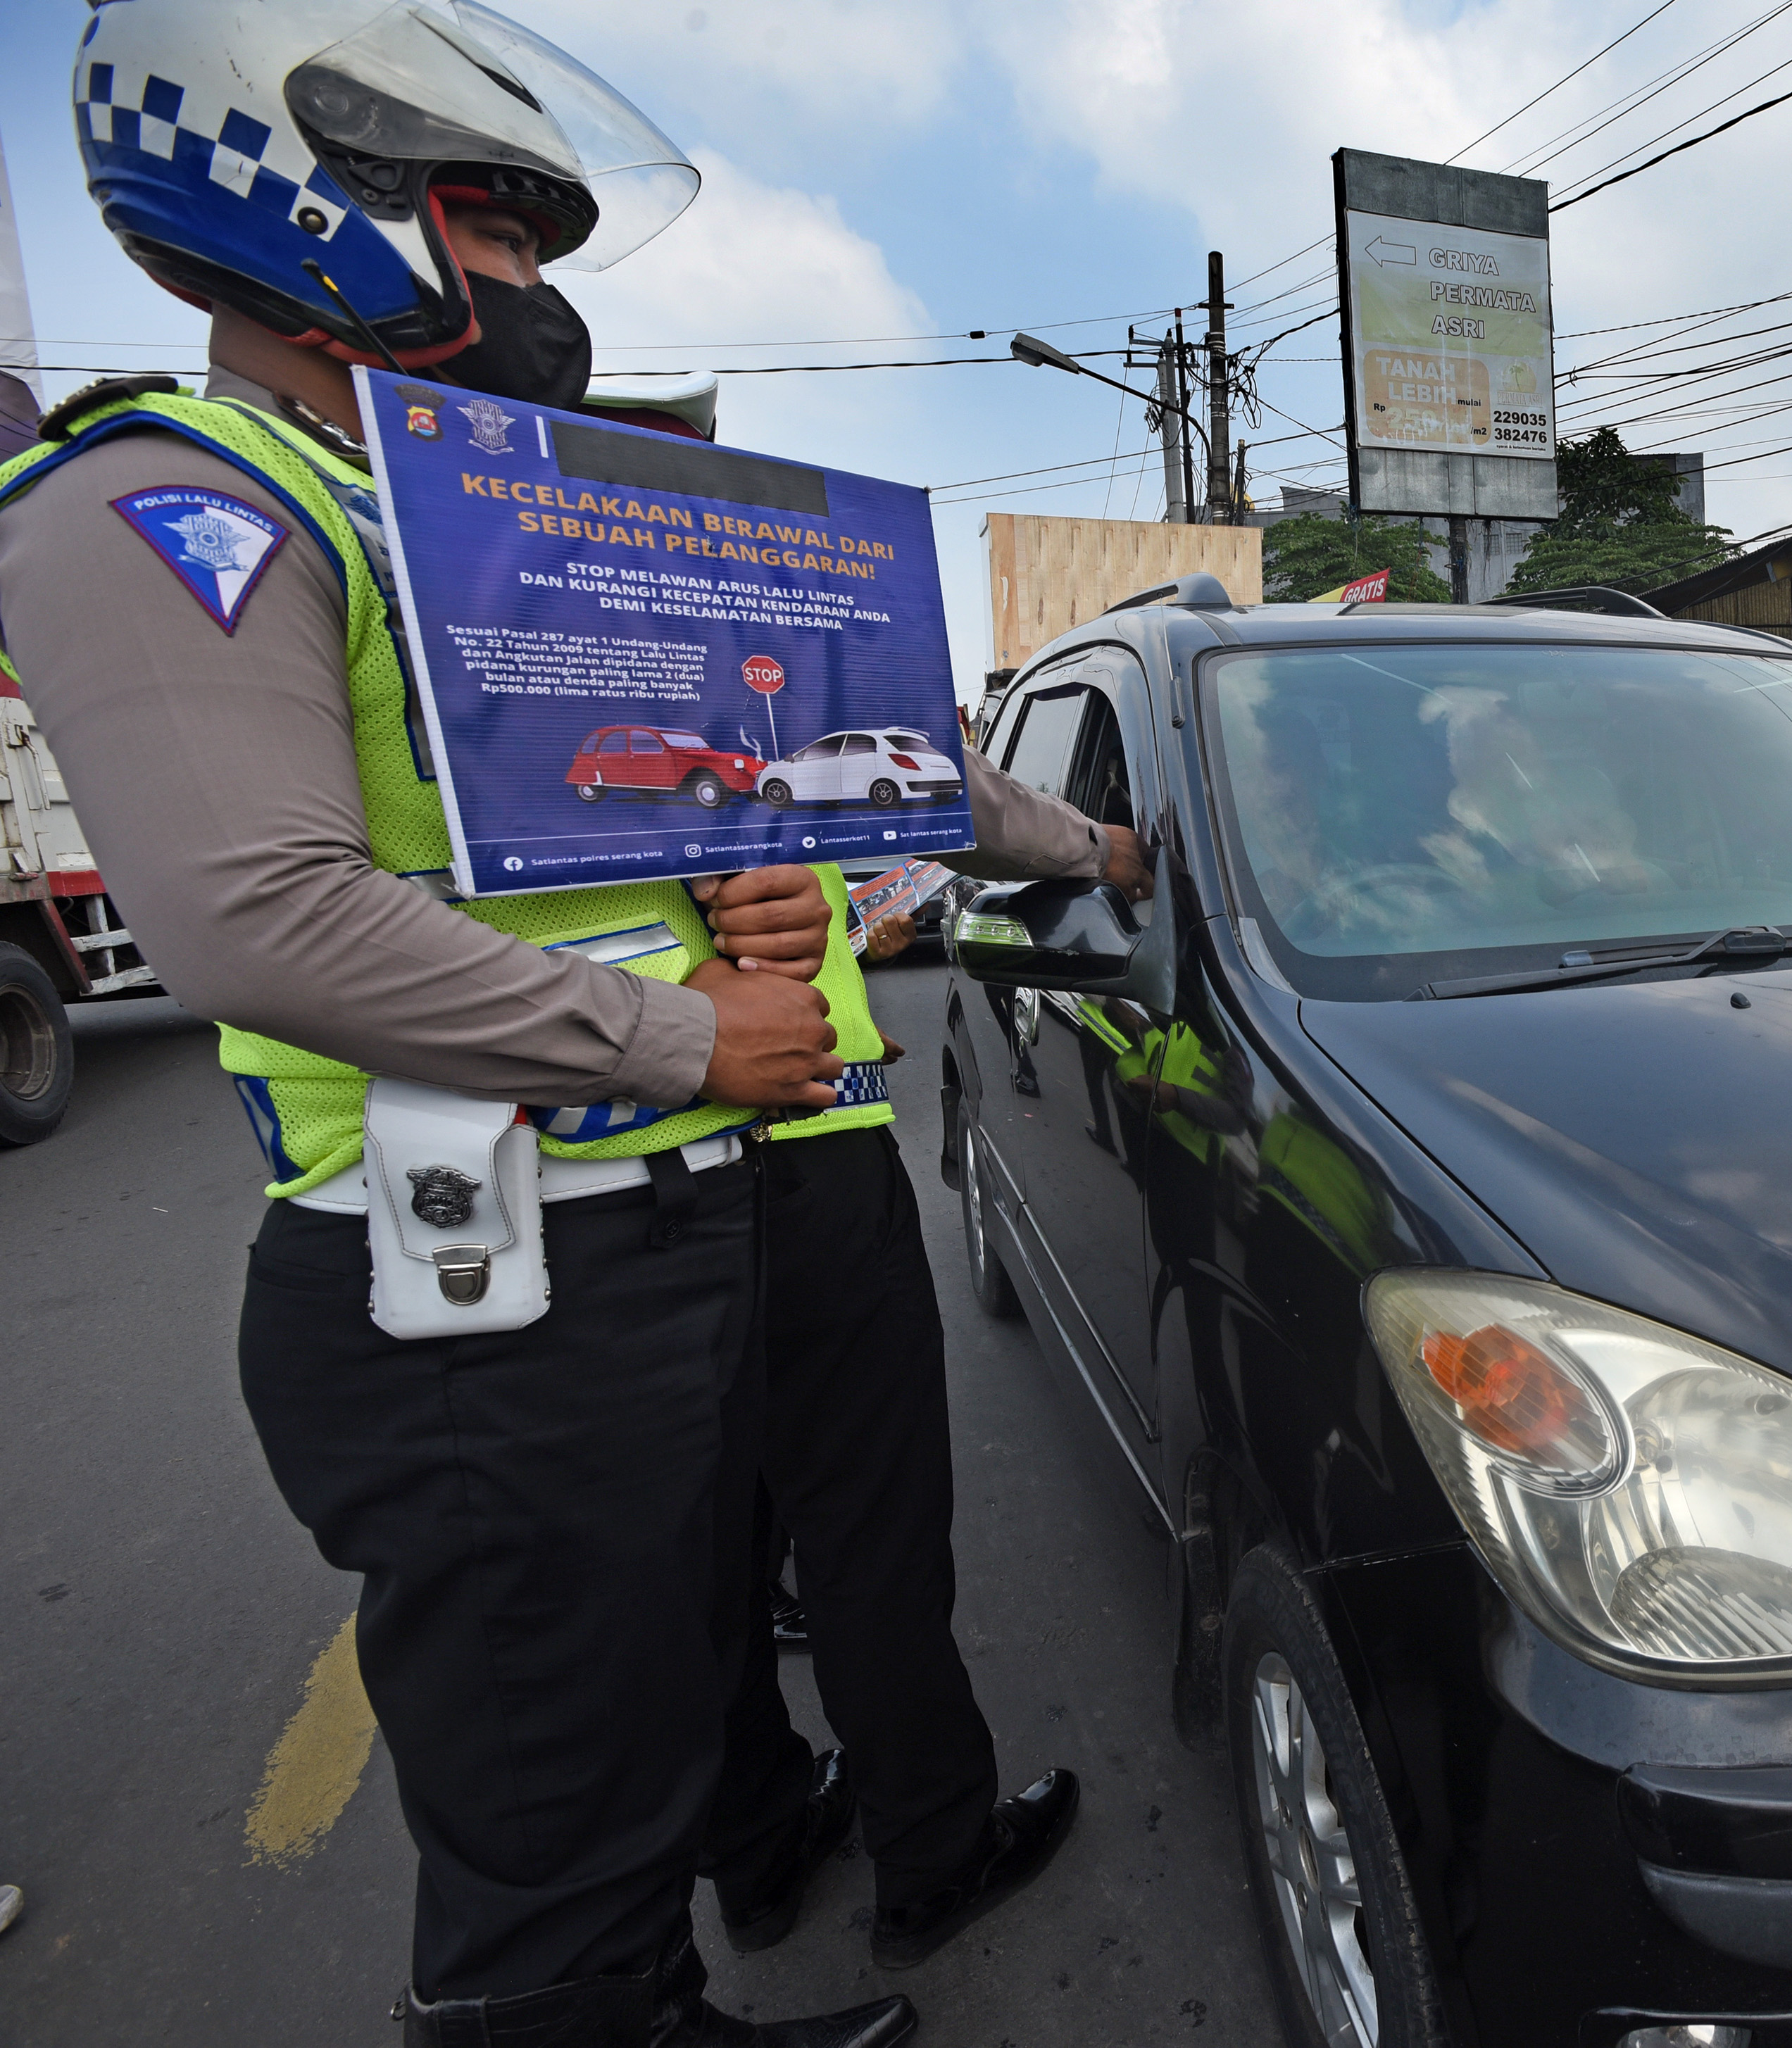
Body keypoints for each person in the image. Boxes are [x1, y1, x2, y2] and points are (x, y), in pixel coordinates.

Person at [0, 6, 901, 2040]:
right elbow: (261, 918)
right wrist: (683, 1039)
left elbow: (551, 833)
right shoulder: (173, 494)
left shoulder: (451, 510)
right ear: (316, 203)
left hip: (626, 1244)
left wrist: (736, 892)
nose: (528, 292)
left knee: (644, 1708)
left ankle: (659, 1989)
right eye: (492, 233)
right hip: (478, 1292)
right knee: (550, 1809)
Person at [573, 375, 1138, 1970]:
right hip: (802, 1149)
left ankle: (754, 1851)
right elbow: (963, 808)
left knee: (708, 1549)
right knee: (870, 1532)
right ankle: (931, 1852)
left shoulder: (513, 686)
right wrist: (1108, 852)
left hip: (612, 1178)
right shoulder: (780, 673)